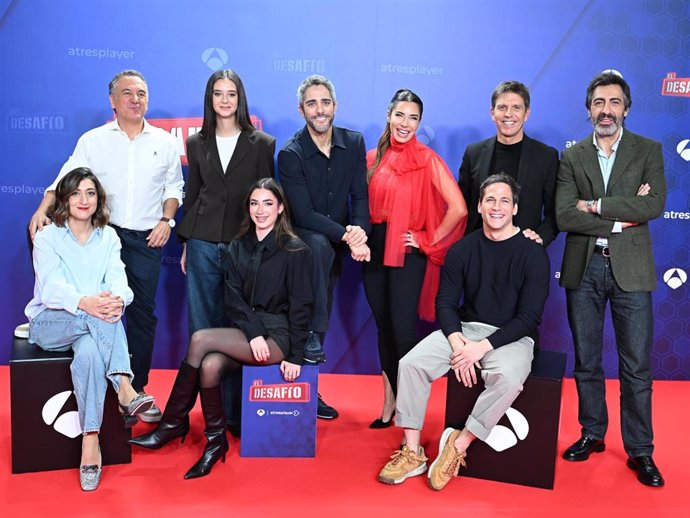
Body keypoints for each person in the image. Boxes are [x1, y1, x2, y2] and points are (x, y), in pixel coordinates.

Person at [28, 70, 184, 424]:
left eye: (142, 93)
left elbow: (174, 188)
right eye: (127, 93)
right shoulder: (93, 141)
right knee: (100, 307)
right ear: (112, 100)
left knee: (141, 313)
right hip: (103, 233)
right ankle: (121, 389)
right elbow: (65, 179)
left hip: (147, 236)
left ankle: (137, 388)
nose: (135, 99)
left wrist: (167, 221)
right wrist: (41, 209)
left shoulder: (166, 141)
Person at [377, 174, 550, 491]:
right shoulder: (463, 249)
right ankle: (412, 451)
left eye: (504, 201)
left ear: (514, 209)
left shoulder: (533, 254)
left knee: (510, 378)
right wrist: (459, 343)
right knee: (411, 363)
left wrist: (479, 349)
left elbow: (528, 318)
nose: (497, 207)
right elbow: (445, 302)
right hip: (466, 329)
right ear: (480, 206)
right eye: (490, 200)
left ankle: (458, 445)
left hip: (511, 336)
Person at [130, 178, 312, 480]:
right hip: (249, 332)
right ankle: (216, 441)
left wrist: (296, 355)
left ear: (280, 208)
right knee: (211, 364)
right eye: (254, 203)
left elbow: (302, 306)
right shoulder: (238, 246)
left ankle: (172, 423)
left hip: (278, 337)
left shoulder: (295, 250)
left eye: (268, 203)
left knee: (200, 339)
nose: (260, 210)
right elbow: (233, 299)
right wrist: (252, 333)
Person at [556, 71, 666, 487]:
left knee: (636, 367)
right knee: (587, 361)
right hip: (583, 269)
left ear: (626, 108)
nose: (606, 110)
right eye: (599, 103)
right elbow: (566, 214)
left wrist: (596, 206)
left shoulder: (648, 150)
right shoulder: (572, 156)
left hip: (632, 271)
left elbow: (653, 204)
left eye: (614, 102)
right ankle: (592, 433)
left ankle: (641, 450)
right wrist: (623, 216)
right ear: (589, 110)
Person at [25, 168, 154, 491]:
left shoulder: (107, 236)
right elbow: (52, 289)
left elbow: (119, 282)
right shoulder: (48, 236)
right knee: (100, 316)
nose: (84, 200)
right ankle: (125, 388)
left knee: (91, 355)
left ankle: (90, 442)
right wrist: (91, 304)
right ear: (64, 199)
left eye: (91, 193)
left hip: (92, 326)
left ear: (99, 199)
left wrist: (118, 300)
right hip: (50, 323)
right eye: (76, 193)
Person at [176, 69, 275, 434]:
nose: (225, 100)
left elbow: (267, 197)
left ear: (240, 98)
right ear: (210, 99)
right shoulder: (195, 143)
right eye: (218, 93)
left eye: (231, 93)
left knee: (236, 331)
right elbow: (193, 194)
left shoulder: (262, 142)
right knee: (201, 328)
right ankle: (204, 420)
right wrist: (186, 243)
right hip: (201, 242)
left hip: (242, 246)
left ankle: (235, 416)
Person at [364, 89, 467, 429]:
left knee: (404, 330)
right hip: (374, 250)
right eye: (400, 115)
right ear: (389, 115)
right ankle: (389, 403)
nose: (405, 123)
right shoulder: (371, 158)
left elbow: (459, 209)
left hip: (407, 252)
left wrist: (425, 240)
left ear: (420, 123)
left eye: (413, 118)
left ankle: (411, 413)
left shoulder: (427, 159)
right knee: (383, 327)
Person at [278, 75, 370, 419]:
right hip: (305, 241)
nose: (320, 110)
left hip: (339, 241)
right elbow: (302, 213)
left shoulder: (354, 142)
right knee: (317, 248)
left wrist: (359, 232)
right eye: (312, 104)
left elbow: (360, 196)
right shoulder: (291, 153)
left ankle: (309, 379)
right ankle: (313, 340)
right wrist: (347, 236)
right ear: (301, 109)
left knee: (321, 273)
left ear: (335, 106)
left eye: (325, 103)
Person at [458, 80, 559, 247]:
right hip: (477, 250)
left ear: (526, 113)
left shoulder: (546, 157)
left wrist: (540, 238)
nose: (508, 114)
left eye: (516, 108)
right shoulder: (473, 153)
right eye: (502, 107)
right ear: (492, 112)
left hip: (523, 253)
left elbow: (555, 212)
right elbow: (462, 206)